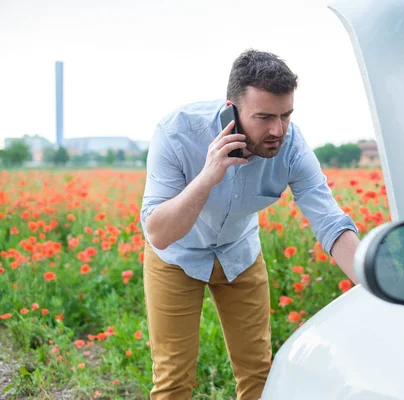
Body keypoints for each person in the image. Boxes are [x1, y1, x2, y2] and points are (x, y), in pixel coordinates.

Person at [140, 48, 361, 400]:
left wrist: (373, 281)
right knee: (173, 381)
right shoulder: (177, 133)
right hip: (177, 258)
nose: (278, 129)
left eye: (286, 115)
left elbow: (330, 221)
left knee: (259, 374)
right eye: (264, 117)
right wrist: (208, 176)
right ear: (232, 109)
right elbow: (159, 234)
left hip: (238, 254)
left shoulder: (291, 146)